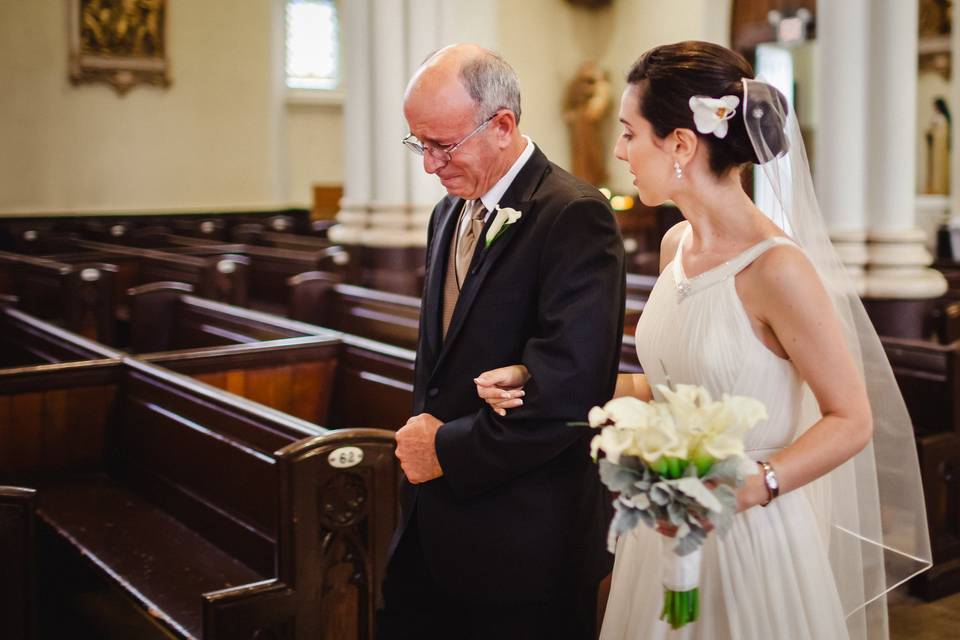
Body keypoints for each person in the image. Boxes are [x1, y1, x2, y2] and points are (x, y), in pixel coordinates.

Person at [476, 41, 931, 639]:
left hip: (750, 534)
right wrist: (540, 380)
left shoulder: (777, 269)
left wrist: (755, 485)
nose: (619, 151)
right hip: (663, 527)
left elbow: (850, 418)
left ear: (682, 145)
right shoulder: (675, 248)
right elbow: (659, 386)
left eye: (630, 133)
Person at [378, 44, 626, 640]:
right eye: (419, 144)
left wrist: (448, 450)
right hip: (434, 525)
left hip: (524, 541)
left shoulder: (573, 215)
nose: (429, 165)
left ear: (503, 126)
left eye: (443, 145)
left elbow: (570, 389)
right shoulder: (448, 213)